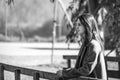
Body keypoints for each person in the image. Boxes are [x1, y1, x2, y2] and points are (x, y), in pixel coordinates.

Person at [56, 13, 107, 80]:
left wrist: (64, 73)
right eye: (77, 24)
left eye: (79, 24)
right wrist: (65, 72)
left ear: (87, 26)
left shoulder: (94, 45)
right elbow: (79, 68)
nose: (77, 27)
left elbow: (86, 70)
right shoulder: (85, 43)